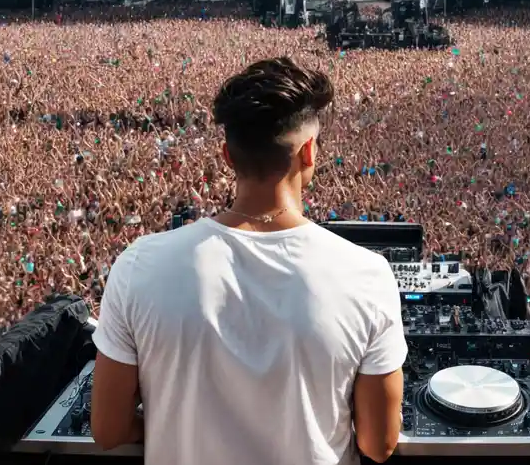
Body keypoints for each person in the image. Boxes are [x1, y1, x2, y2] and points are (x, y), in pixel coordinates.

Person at [89, 57, 406, 465]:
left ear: (228, 156)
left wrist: (171, 425)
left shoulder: (139, 265)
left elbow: (108, 430)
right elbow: (378, 445)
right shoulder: (367, 274)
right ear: (308, 152)